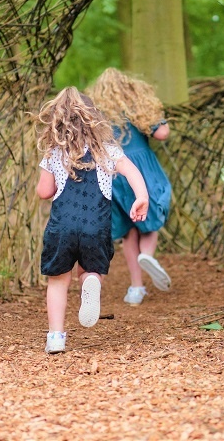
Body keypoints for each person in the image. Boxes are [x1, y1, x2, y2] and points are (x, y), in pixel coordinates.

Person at [35, 87, 149, 354]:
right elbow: (131, 170)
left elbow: (43, 191)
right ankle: (91, 281)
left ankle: (55, 337)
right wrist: (141, 197)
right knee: (91, 268)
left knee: (58, 281)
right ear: (93, 119)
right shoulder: (106, 149)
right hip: (95, 224)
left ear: (57, 122)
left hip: (62, 225)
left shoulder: (54, 152)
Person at [86, 68, 173, 306]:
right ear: (131, 88)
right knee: (150, 216)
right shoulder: (137, 108)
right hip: (141, 170)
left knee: (128, 230)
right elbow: (162, 133)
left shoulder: (97, 114)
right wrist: (155, 114)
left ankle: (136, 288)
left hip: (114, 172)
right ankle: (148, 255)